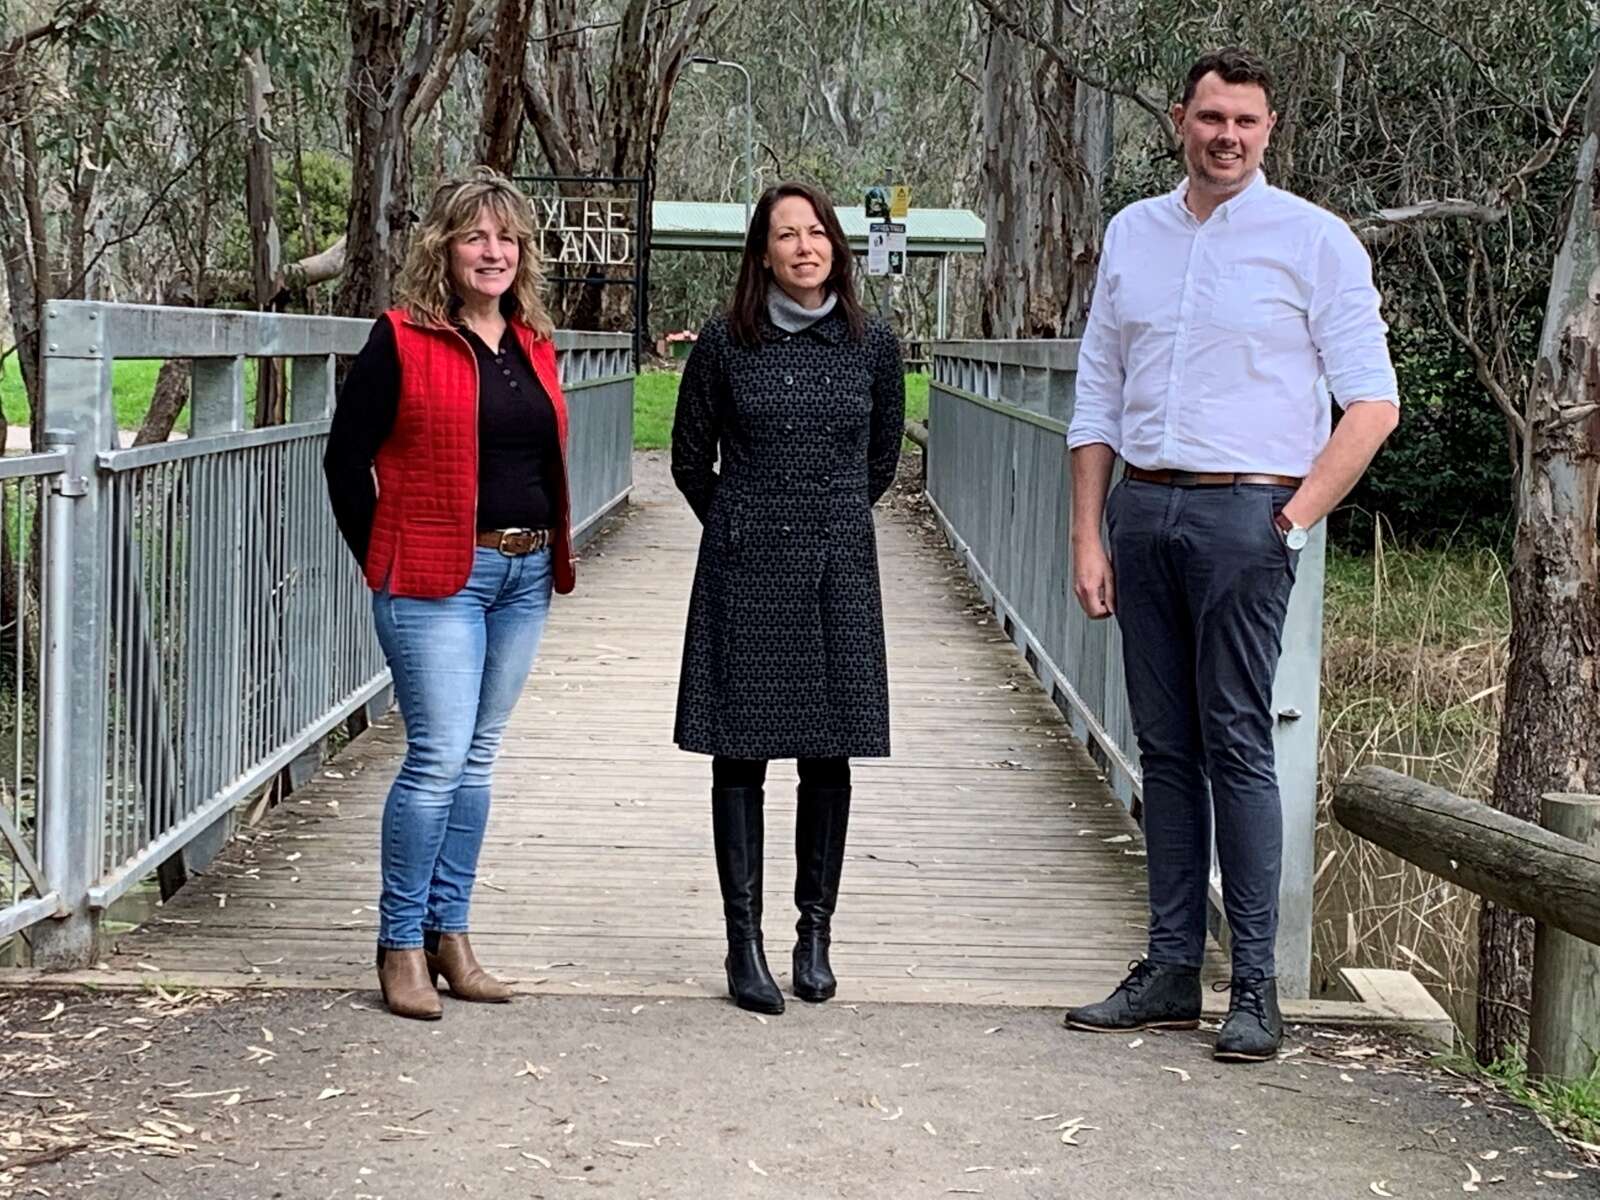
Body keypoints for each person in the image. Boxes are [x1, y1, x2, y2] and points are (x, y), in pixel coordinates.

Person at [1062, 48, 1400, 1061]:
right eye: (1210, 118)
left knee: (1237, 742)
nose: (1226, 137)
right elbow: (1095, 396)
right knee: (1164, 750)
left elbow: (1372, 403)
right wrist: (1088, 529)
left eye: (1245, 123)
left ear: (1267, 130)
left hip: (1245, 518)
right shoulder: (1134, 234)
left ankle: (1252, 985)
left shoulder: (1313, 242)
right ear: (1179, 119)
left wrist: (1289, 520)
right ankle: (1170, 969)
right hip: (1144, 511)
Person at [324, 168, 576, 1021]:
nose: (493, 252)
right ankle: (400, 945)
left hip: (525, 572)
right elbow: (343, 462)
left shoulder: (533, 342)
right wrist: (384, 556)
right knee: (435, 758)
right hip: (436, 577)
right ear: (445, 246)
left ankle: (451, 935)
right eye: (476, 236)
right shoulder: (401, 338)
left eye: (506, 238)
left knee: (477, 756)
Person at [671, 181, 905, 1014]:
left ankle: (814, 936)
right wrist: (742, 525)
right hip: (746, 564)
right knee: (741, 754)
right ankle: (745, 945)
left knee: (826, 752)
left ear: (836, 246)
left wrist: (825, 517)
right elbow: (690, 461)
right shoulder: (725, 344)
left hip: (838, 563)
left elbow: (881, 460)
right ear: (761, 253)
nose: (805, 247)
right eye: (785, 236)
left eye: (817, 233)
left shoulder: (873, 344)